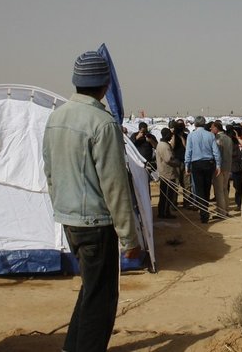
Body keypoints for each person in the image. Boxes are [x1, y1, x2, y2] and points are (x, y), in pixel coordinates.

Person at [43, 51, 140, 352]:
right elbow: (115, 186)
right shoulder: (102, 123)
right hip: (97, 225)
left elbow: (50, 171)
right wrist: (129, 236)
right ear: (104, 86)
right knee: (102, 300)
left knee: (91, 290)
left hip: (70, 222)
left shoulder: (55, 118)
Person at [184, 116, 221, 223]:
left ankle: (204, 213)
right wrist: (218, 165)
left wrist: (187, 165)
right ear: (204, 124)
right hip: (208, 164)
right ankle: (205, 211)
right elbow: (216, 151)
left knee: (199, 189)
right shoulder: (210, 135)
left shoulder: (191, 136)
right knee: (207, 187)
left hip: (196, 164)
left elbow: (188, 152)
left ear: (195, 124)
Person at [210, 121, 233, 217]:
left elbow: (217, 154)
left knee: (219, 190)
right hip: (228, 167)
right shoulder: (229, 138)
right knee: (224, 189)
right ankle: (226, 210)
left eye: (212, 128)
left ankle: (221, 212)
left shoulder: (217, 139)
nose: (211, 130)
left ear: (216, 128)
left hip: (219, 168)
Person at [155, 127, 179, 219]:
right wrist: (178, 163)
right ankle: (164, 212)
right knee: (167, 195)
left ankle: (164, 211)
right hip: (167, 173)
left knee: (166, 194)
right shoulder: (164, 146)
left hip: (165, 173)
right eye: (169, 135)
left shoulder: (162, 144)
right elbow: (169, 159)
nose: (171, 136)